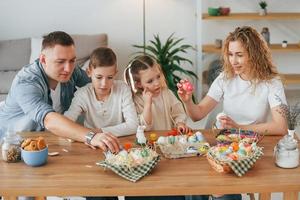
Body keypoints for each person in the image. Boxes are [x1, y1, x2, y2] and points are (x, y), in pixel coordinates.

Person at [178, 26, 288, 200]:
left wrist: (240, 128)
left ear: (254, 54)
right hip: (222, 143)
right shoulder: (225, 78)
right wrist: (187, 101)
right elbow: (197, 114)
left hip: (251, 146)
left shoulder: (271, 82)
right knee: (194, 182)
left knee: (221, 189)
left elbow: (281, 126)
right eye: (230, 54)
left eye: (240, 55)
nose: (233, 61)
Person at [0, 31, 120, 153]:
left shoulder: (72, 71)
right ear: (43, 59)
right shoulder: (26, 82)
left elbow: (98, 86)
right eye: (60, 62)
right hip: (12, 145)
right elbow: (49, 120)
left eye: (72, 60)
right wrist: (91, 136)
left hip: (51, 139)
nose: (68, 69)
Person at [64, 47, 138, 136]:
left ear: (115, 74)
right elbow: (66, 123)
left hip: (119, 142)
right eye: (99, 77)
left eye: (110, 77)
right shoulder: (83, 94)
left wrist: (96, 132)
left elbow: (133, 126)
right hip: (91, 142)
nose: (104, 84)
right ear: (89, 72)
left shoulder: (123, 89)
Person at [124, 55, 191, 134]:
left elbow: (178, 112)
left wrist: (180, 123)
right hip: (149, 142)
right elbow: (144, 126)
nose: (157, 83)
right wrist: (147, 104)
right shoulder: (137, 100)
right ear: (139, 84)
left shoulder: (167, 93)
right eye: (150, 81)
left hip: (168, 139)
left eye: (158, 76)